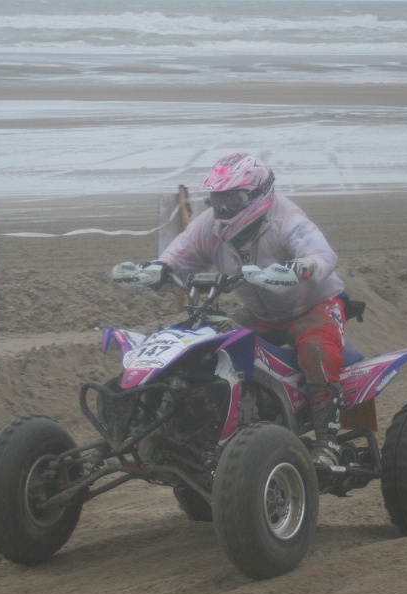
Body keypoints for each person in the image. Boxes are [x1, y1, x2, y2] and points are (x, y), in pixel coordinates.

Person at [144, 152, 350, 465]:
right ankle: (218, 430)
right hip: (259, 313)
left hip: (312, 305)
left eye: (234, 200)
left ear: (259, 194)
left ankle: (327, 442)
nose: (224, 208)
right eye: (217, 200)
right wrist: (157, 272)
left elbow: (322, 255)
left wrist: (302, 267)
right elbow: (177, 260)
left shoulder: (287, 220)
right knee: (212, 348)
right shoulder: (208, 228)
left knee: (317, 352)